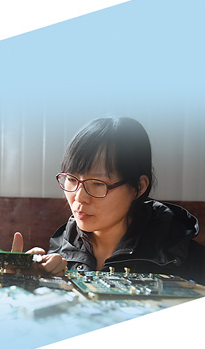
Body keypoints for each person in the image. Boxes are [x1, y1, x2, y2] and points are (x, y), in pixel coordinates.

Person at [38, 116, 205, 284]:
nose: (80, 197)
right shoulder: (62, 247)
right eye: (72, 179)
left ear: (139, 187)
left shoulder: (179, 257)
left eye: (98, 183)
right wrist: (29, 277)